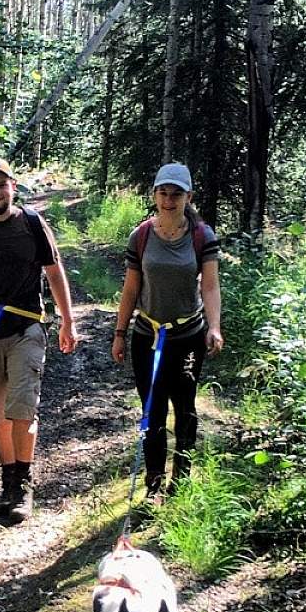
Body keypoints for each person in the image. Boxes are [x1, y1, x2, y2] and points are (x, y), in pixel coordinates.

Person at [0, 158, 78, 522]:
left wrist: (68, 321)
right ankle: (8, 481)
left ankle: (23, 482)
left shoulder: (32, 224)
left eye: (2, 185)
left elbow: (54, 272)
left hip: (28, 327)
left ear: (13, 187)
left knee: (22, 407)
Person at [110, 162, 223, 500]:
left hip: (188, 336)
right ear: (154, 195)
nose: (169, 200)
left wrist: (214, 327)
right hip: (147, 335)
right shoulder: (142, 235)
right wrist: (119, 332)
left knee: (185, 408)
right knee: (152, 410)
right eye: (163, 193)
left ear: (188, 196)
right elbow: (130, 289)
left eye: (176, 194)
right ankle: (153, 484)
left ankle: (181, 483)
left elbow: (211, 287)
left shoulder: (202, 236)